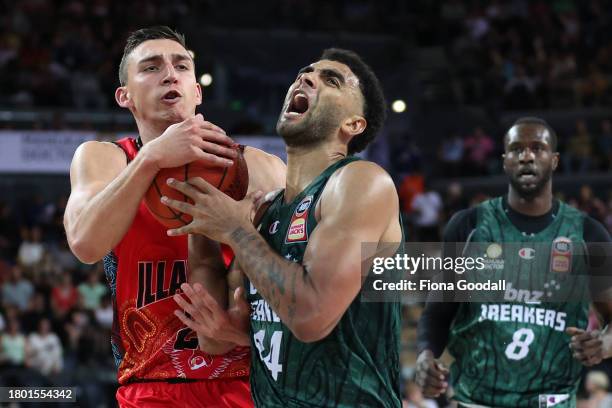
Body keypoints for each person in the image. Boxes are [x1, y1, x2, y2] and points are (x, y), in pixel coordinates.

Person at [164, 48, 403, 407]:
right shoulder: (268, 211)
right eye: (305, 72)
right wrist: (202, 223)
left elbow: (309, 316)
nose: (305, 78)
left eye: (331, 80)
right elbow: (214, 340)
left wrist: (234, 229)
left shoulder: (360, 181)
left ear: (353, 124)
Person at [63, 26, 285, 407]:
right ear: (125, 96)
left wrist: (242, 334)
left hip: (247, 382)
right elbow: (85, 243)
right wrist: (153, 158)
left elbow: (307, 286)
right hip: (151, 385)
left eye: (181, 66)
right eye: (151, 68)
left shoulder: (260, 167)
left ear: (196, 91)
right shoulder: (105, 158)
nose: (170, 74)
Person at [415, 117, 612, 408]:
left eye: (538, 148)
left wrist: (603, 346)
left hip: (551, 401)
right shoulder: (468, 226)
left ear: (555, 160)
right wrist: (424, 357)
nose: (527, 156)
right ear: (505, 161)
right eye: (517, 149)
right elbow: (438, 313)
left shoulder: (587, 234)